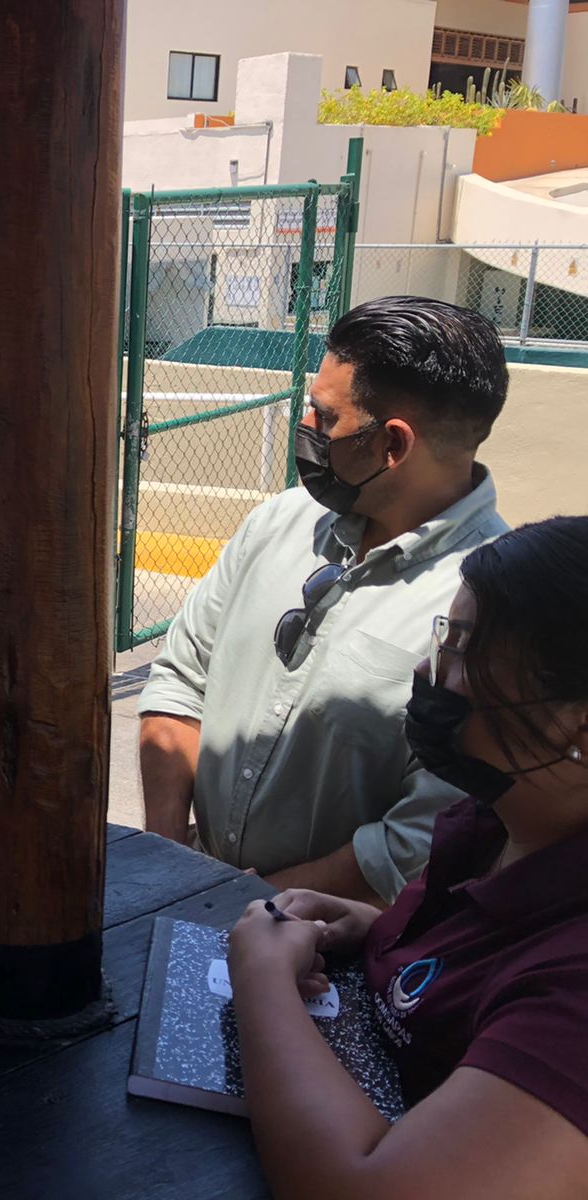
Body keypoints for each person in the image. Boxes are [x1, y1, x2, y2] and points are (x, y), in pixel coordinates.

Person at [228, 516, 588, 1198]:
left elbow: (367, 1187)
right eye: (444, 637)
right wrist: (381, 931)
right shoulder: (496, 827)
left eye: (467, 652)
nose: (429, 672)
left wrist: (262, 977)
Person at [138, 296, 510, 902]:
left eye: (325, 416)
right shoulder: (279, 523)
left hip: (331, 943)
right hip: (195, 885)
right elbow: (182, 677)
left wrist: (252, 907)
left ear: (392, 445)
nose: (306, 426)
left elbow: (420, 837)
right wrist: (171, 858)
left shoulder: (491, 606)